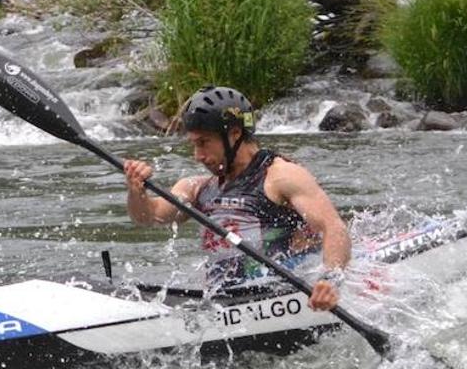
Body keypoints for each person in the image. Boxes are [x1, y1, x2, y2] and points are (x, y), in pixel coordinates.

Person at [122, 86, 350, 311]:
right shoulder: (196, 188)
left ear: (235, 134)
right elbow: (150, 216)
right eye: (194, 144)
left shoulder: (281, 176)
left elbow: (333, 227)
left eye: (204, 142)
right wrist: (136, 190)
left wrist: (329, 282)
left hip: (282, 299)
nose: (198, 155)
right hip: (223, 303)